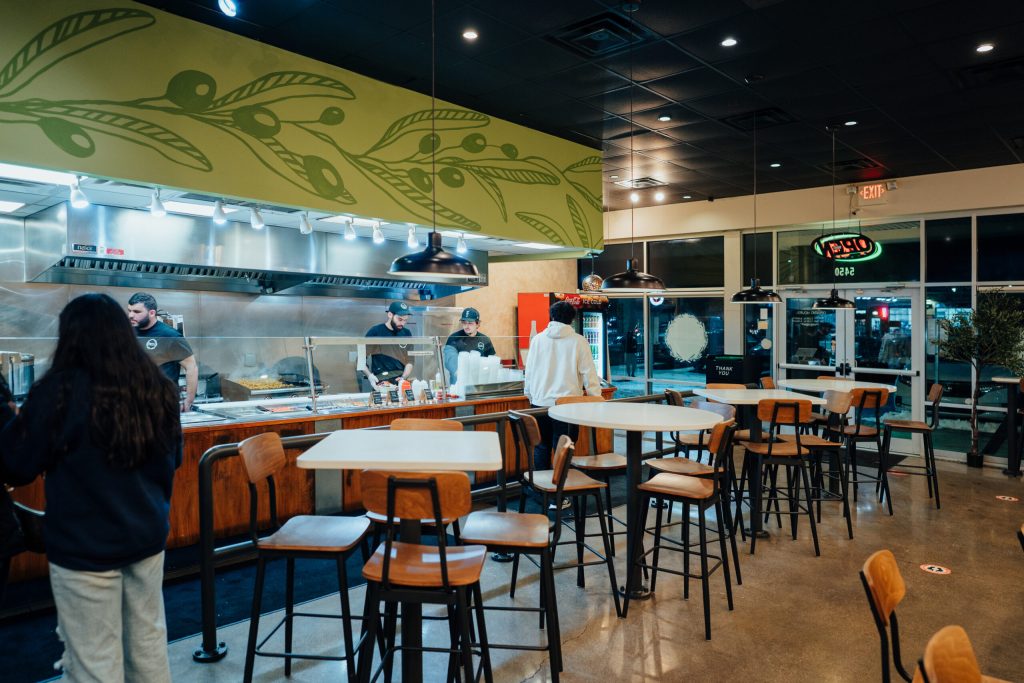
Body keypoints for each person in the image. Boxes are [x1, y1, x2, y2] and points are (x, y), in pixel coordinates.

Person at [0, 293, 182, 683]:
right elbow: (174, 459)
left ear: (70, 336)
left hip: (84, 547)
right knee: (148, 646)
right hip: (147, 538)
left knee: (94, 662)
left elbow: (16, 465)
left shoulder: (57, 391)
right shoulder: (157, 387)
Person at [524, 301, 602, 470]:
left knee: (541, 446)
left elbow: (529, 372)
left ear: (551, 316)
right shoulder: (579, 341)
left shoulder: (537, 340)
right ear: (572, 319)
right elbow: (589, 374)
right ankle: (562, 484)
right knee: (564, 448)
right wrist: (596, 399)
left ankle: (542, 484)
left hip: (540, 404)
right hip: (568, 407)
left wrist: (530, 396)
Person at [127, 292, 198, 412]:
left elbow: (191, 367)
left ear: (151, 313)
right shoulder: (128, 333)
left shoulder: (169, 335)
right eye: (129, 310)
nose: (130, 315)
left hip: (162, 403)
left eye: (137, 312)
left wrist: (189, 400)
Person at [358, 301, 413, 389]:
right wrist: (370, 376)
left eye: (405, 320)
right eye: (400, 319)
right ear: (390, 315)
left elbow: (410, 361)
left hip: (400, 383)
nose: (402, 323)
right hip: (381, 383)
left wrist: (403, 378)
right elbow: (360, 359)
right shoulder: (375, 332)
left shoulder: (407, 333)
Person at [444, 307, 496, 384]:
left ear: (478, 324)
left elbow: (493, 361)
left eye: (470, 323)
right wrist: (460, 374)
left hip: (479, 384)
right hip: (459, 385)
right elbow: (450, 359)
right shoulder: (454, 338)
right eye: (464, 323)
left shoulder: (485, 339)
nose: (467, 326)